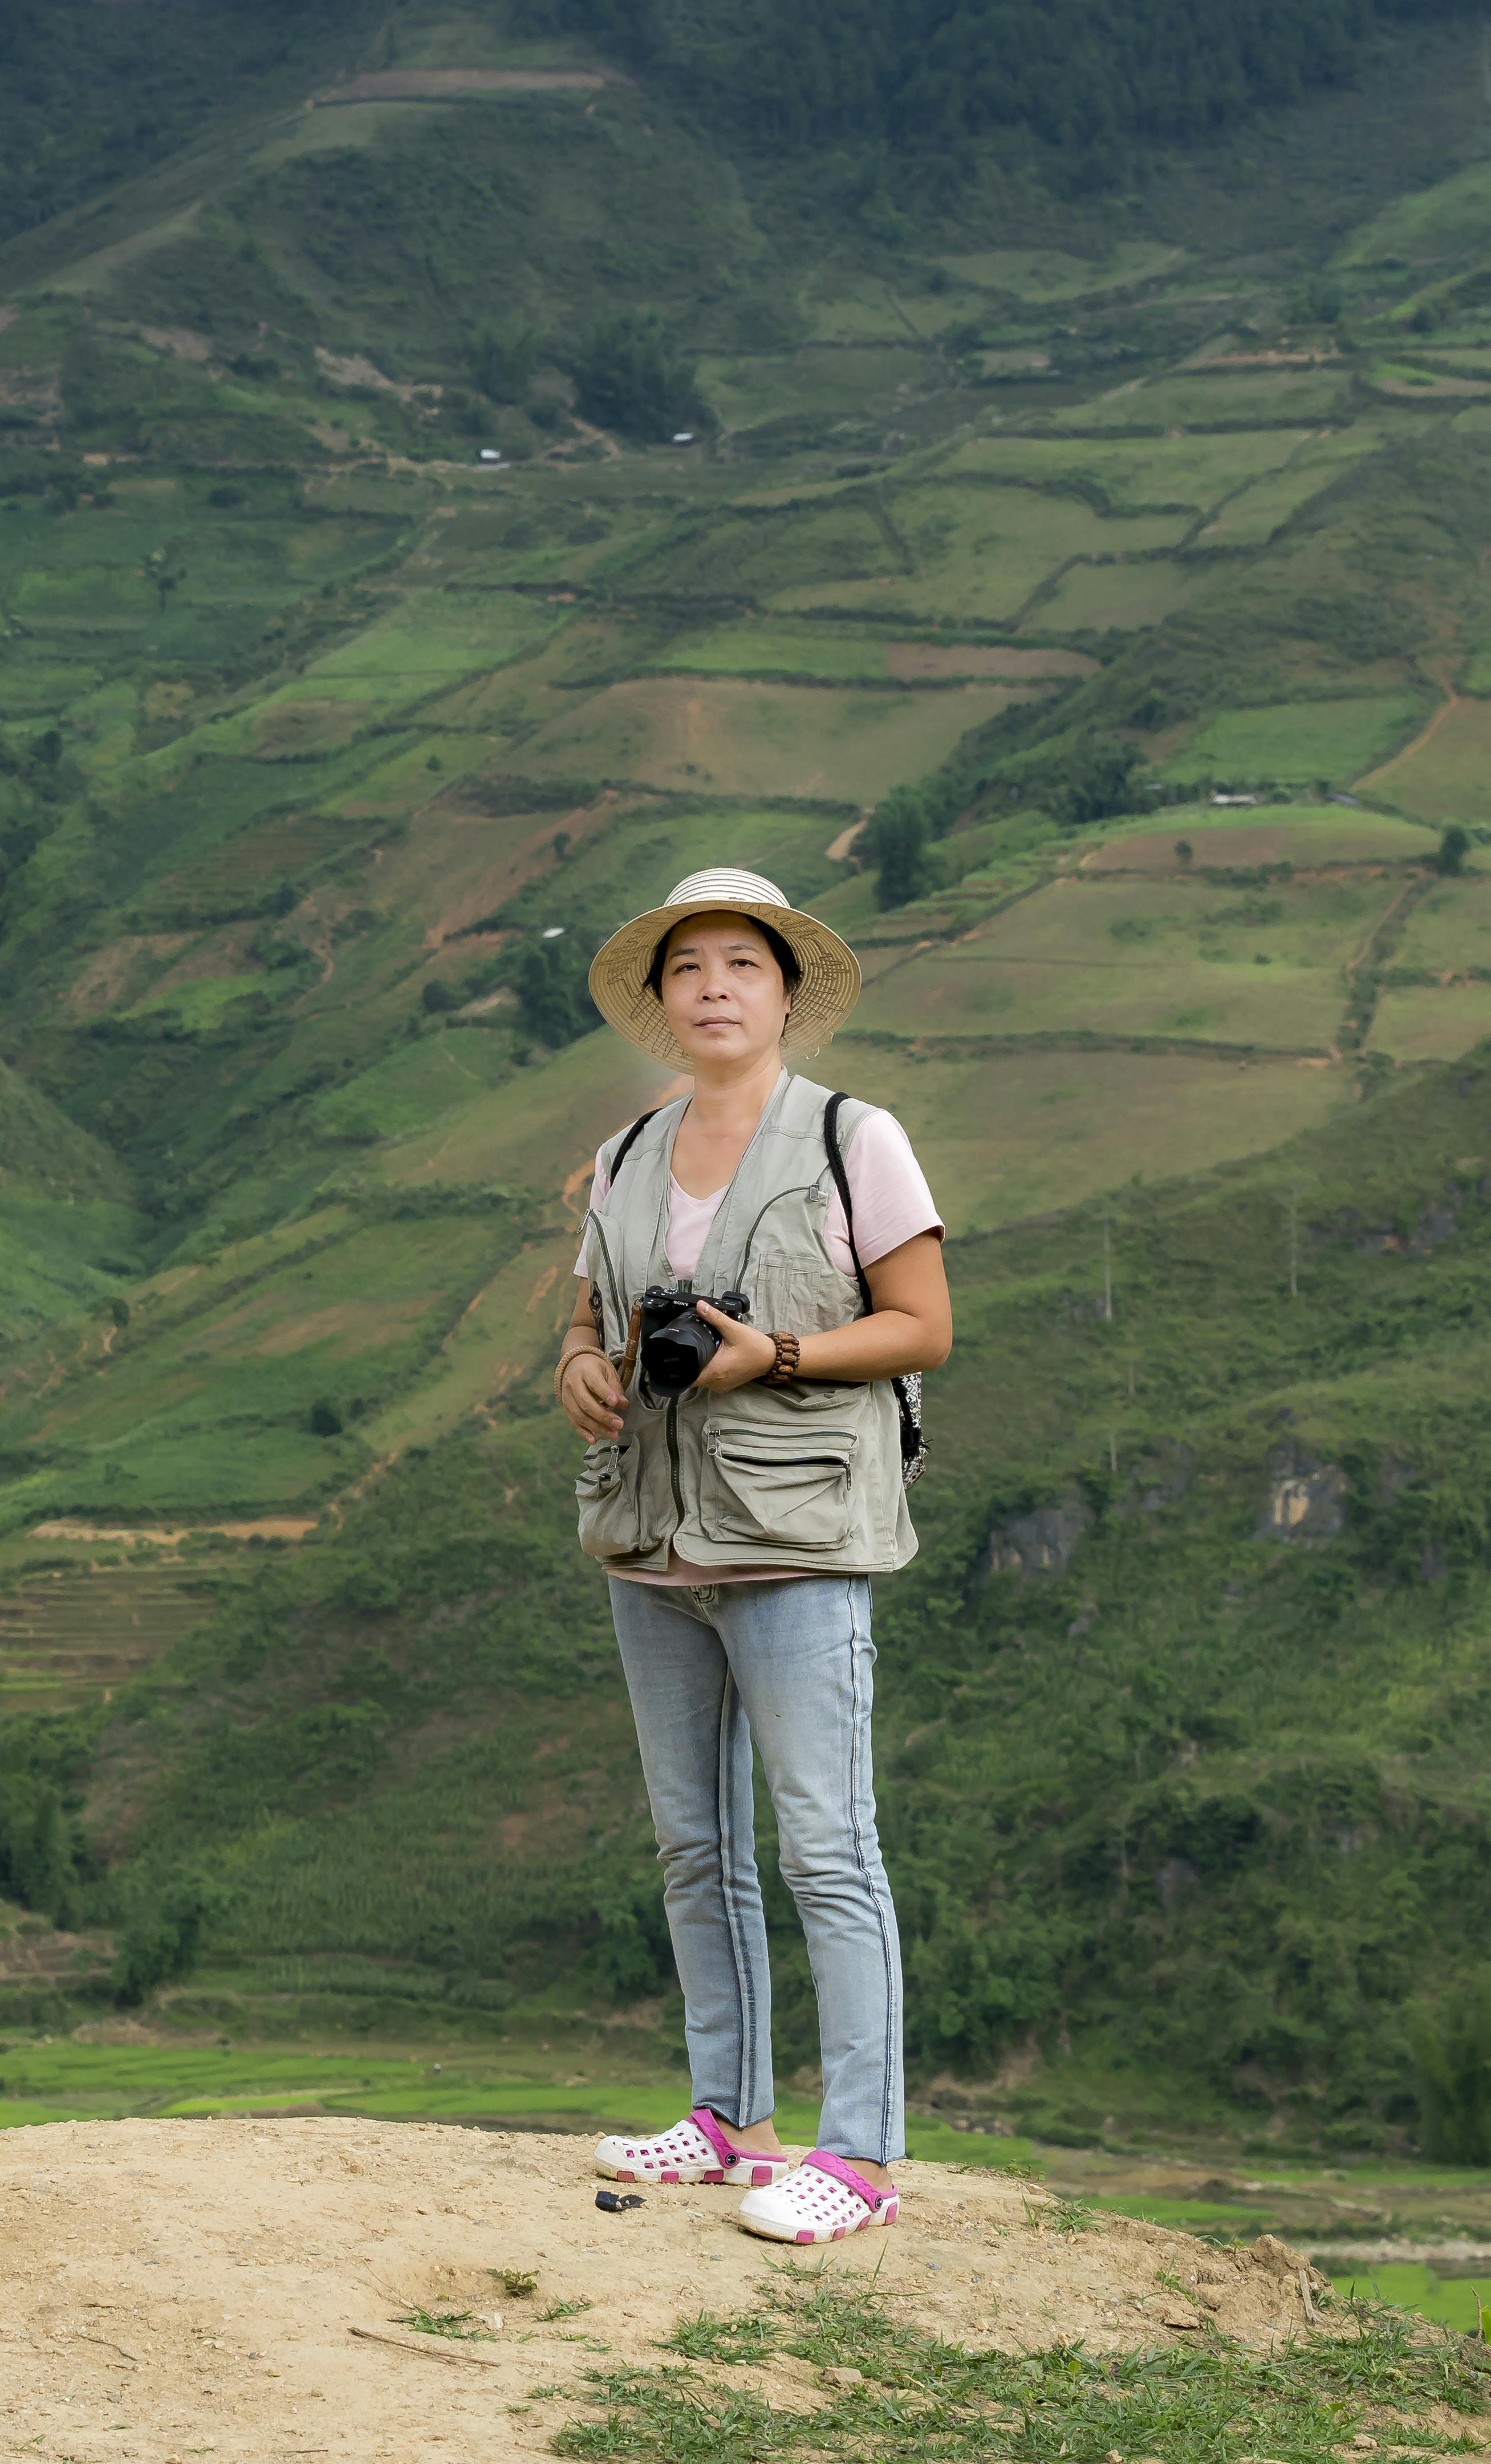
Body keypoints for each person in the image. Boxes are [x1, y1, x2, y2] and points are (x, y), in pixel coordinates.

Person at [554, 866, 950, 2247]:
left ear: (786, 993)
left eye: (741, 963)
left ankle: (860, 2154)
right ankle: (728, 2117)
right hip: (650, 1539)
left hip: (792, 1538)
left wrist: (769, 1354)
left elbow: (918, 1324)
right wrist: (580, 1367)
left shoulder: (854, 1137)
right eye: (688, 967)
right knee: (693, 1842)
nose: (714, 985)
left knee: (827, 1846)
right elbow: (591, 1312)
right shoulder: (622, 1151)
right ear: (659, 1002)